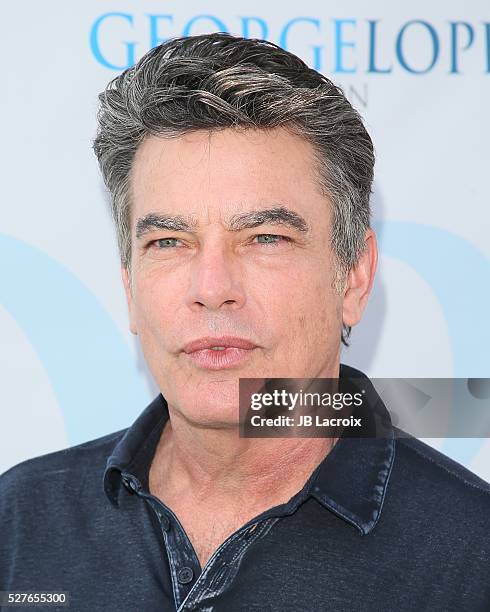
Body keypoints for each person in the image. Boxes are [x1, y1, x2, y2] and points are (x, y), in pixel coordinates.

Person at [1, 32, 488, 612]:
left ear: (353, 276)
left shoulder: (471, 556)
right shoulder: (21, 521)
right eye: (169, 241)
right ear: (129, 285)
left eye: (264, 238)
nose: (211, 290)